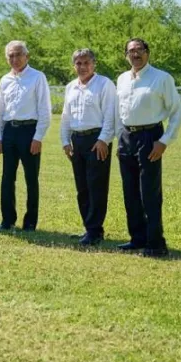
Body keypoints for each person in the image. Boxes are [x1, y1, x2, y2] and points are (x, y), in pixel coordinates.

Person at [115, 38, 181, 257]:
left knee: (149, 192)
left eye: (140, 50)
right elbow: (120, 110)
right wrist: (119, 137)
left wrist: (163, 141)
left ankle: (155, 243)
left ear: (147, 52)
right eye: (131, 51)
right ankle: (137, 238)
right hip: (127, 137)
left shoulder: (162, 78)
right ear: (126, 55)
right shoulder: (122, 78)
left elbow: (176, 112)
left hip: (150, 137)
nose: (135, 55)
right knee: (130, 192)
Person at [59, 48, 116, 246]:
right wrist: (65, 141)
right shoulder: (70, 87)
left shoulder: (104, 84)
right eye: (78, 63)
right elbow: (66, 116)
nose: (82, 67)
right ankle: (88, 227)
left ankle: (95, 230)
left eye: (86, 63)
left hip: (96, 139)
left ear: (94, 64)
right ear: (74, 65)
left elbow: (110, 114)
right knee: (82, 187)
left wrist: (104, 140)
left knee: (96, 186)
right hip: (77, 140)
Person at [0, 40, 52, 232]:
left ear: (27, 56)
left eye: (18, 54)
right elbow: (0, 110)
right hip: (10, 130)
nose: (15, 59)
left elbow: (45, 109)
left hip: (29, 131)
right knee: (7, 177)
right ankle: (7, 220)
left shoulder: (37, 77)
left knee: (31, 178)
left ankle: (30, 222)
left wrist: (38, 137)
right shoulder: (5, 80)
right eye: (11, 55)